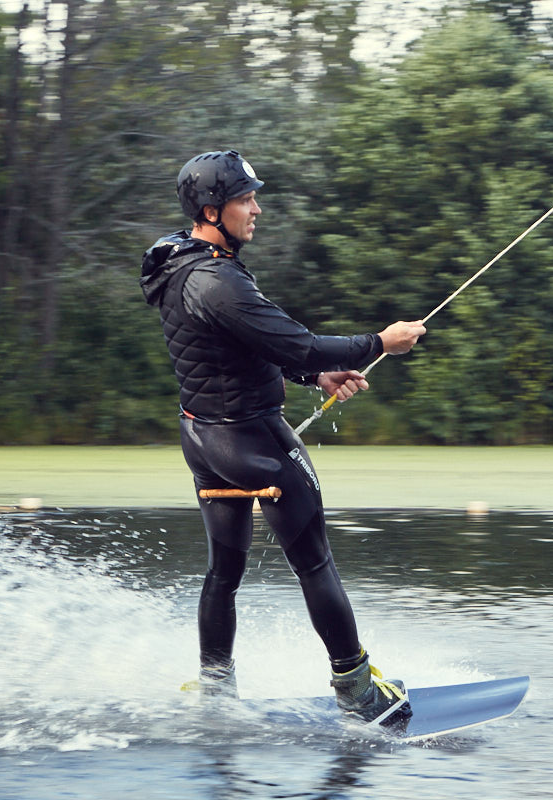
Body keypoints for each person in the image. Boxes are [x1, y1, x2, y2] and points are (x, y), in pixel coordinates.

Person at [139, 150, 426, 726]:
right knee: (314, 561)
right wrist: (379, 342)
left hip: (202, 440)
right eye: (246, 199)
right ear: (212, 210)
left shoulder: (182, 263)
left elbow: (248, 348)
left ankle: (216, 691)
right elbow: (299, 342)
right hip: (253, 443)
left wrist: (314, 379)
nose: (257, 209)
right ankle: (357, 691)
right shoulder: (217, 280)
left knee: (224, 571)